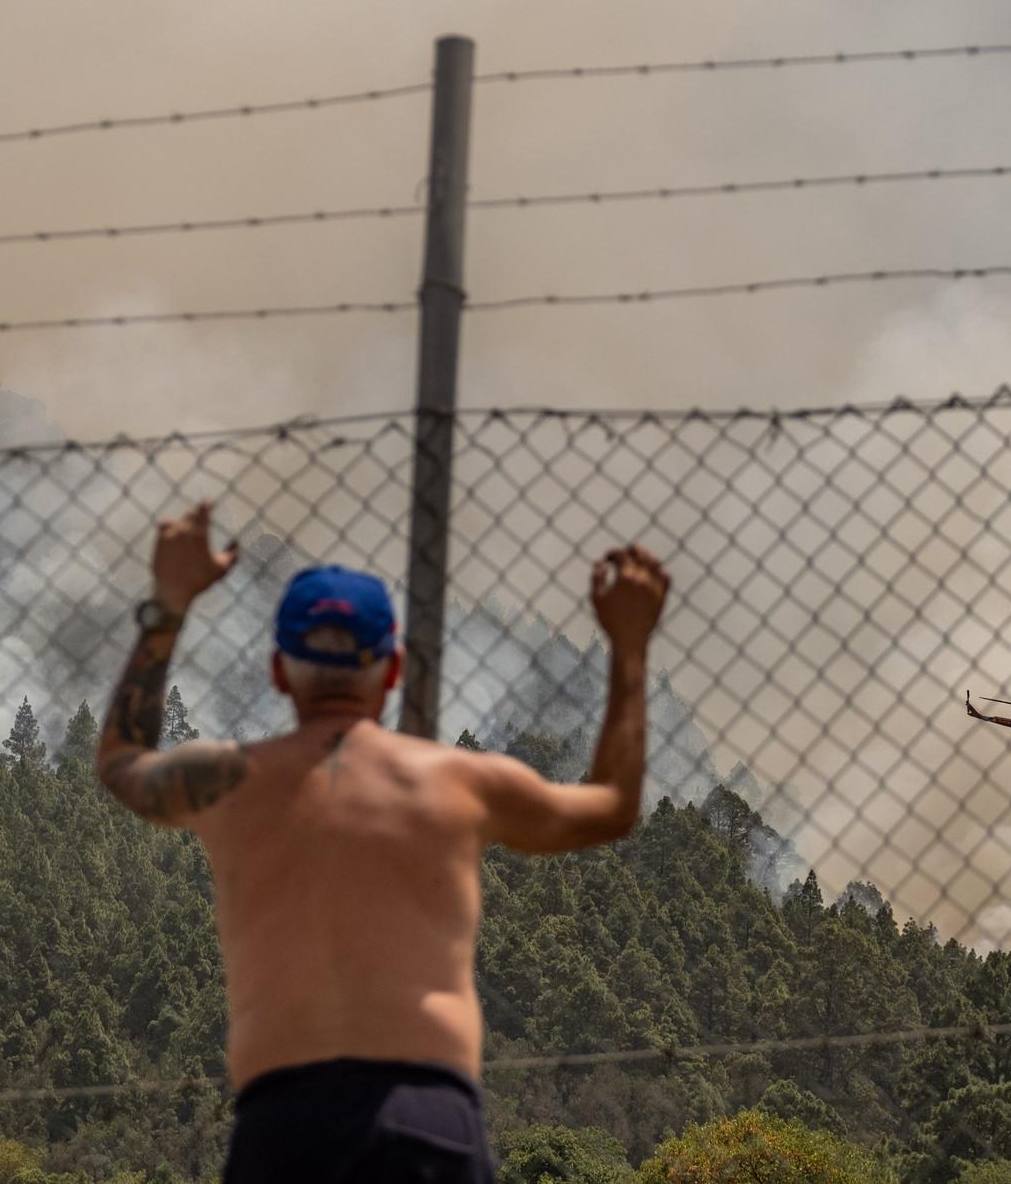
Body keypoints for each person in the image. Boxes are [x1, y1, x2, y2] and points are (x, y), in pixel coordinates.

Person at [94, 502, 670, 1183]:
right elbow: (612, 807)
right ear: (393, 669)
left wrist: (169, 602)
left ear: (280, 672)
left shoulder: (229, 782)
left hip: (283, 1124)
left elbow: (122, 759)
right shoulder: (458, 783)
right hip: (426, 1116)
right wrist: (629, 643)